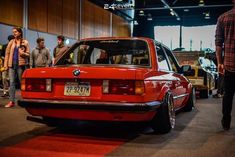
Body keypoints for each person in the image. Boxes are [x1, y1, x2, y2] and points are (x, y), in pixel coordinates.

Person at [215, 0, 235, 130]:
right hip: (229, 64)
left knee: (228, 95)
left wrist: (220, 62)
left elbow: (218, 43)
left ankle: (226, 122)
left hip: (229, 64)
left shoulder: (223, 18)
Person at [4, 27, 30, 108]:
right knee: (11, 83)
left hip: (20, 65)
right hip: (11, 65)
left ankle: (26, 100)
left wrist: (22, 54)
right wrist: (6, 65)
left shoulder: (25, 42)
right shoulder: (11, 42)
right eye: (13, 32)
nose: (14, 33)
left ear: (20, 33)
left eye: (15, 32)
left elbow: (28, 54)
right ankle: (12, 101)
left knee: (22, 83)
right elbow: (7, 54)